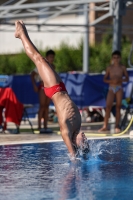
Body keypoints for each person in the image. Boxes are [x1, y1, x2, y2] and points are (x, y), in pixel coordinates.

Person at [14, 20, 89, 160]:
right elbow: (84, 153)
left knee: (38, 59)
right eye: (86, 140)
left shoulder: (66, 130)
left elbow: (72, 156)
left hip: (54, 90)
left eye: (83, 142)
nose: (85, 138)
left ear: (75, 142)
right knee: (41, 60)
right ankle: (22, 34)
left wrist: (75, 160)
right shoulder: (78, 124)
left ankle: (21, 34)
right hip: (61, 88)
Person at [99, 50, 129, 133]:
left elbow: (127, 78)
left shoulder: (122, 67)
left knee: (118, 107)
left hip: (119, 87)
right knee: (108, 107)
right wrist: (112, 81)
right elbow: (105, 79)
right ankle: (105, 126)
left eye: (117, 57)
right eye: (114, 57)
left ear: (120, 58)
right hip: (111, 87)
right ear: (112, 58)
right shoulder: (110, 68)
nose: (116, 59)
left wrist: (119, 80)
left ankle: (116, 126)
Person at [30, 50, 56, 133]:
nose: (52, 59)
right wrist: (34, 85)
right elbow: (32, 74)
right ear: (47, 57)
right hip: (42, 87)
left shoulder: (53, 66)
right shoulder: (42, 65)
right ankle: (39, 127)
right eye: (50, 57)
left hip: (50, 87)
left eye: (53, 57)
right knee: (42, 106)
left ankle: (45, 126)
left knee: (46, 106)